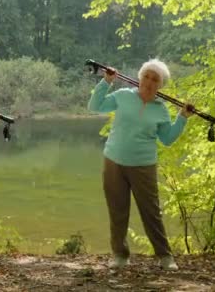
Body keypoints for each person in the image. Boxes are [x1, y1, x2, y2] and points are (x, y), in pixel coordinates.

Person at [87, 59, 193, 271]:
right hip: (114, 161)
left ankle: (165, 256)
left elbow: (167, 139)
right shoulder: (123, 95)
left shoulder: (161, 110)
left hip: (143, 165)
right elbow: (94, 106)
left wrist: (182, 117)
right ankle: (120, 255)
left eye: (155, 79)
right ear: (140, 77)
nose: (149, 82)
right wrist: (106, 82)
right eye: (147, 76)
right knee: (117, 210)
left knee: (151, 212)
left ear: (160, 85)